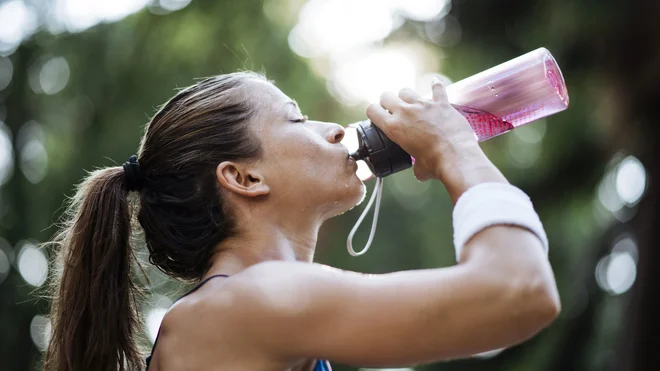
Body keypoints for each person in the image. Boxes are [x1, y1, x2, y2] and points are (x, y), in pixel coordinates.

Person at [43, 71, 560, 371]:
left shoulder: (248, 304)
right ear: (243, 177)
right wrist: (454, 148)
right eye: (296, 118)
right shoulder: (247, 302)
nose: (336, 129)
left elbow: (505, 305)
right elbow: (518, 291)